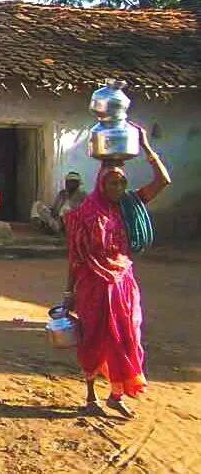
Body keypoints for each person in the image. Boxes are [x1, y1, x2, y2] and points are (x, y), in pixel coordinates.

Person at [64, 123, 170, 419]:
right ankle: (90, 396)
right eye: (113, 184)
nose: (119, 189)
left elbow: (164, 181)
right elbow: (75, 257)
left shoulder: (129, 205)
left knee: (125, 336)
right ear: (101, 184)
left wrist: (147, 148)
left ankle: (116, 394)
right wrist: (68, 292)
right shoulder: (85, 214)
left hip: (123, 283)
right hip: (93, 285)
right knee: (93, 338)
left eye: (122, 184)